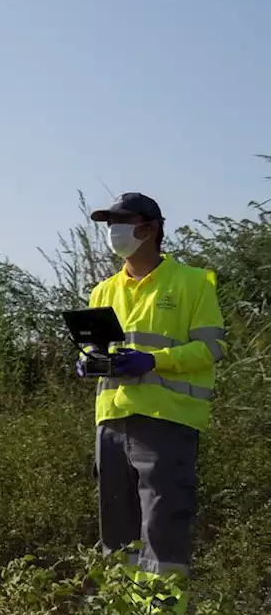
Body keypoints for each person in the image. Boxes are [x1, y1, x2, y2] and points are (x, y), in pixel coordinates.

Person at [81, 192, 228, 584]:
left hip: (167, 421)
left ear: (151, 228)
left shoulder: (192, 283)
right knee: (117, 535)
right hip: (112, 422)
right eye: (110, 224)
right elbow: (102, 348)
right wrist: (90, 361)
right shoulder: (103, 290)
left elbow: (212, 347)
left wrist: (154, 360)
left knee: (163, 531)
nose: (114, 232)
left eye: (122, 222)